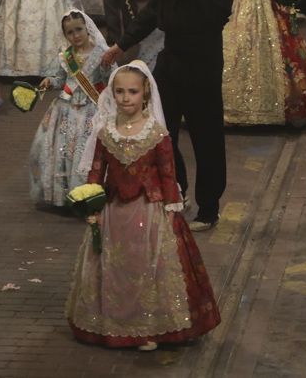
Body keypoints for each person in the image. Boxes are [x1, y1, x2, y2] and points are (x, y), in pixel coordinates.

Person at [65, 61, 220, 348]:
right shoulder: (105, 131)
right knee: (115, 267)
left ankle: (150, 325)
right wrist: (92, 206)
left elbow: (167, 173)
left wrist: (173, 209)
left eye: (132, 92)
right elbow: (97, 171)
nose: (126, 98)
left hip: (149, 212)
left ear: (145, 94)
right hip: (113, 213)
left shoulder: (156, 133)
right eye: (120, 91)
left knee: (148, 266)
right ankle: (115, 324)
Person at [100, 0, 232, 231]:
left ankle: (209, 208)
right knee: (161, 130)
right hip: (171, 59)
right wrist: (122, 43)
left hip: (202, 60)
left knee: (206, 136)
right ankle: (177, 191)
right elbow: (153, 12)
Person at [29, 10, 111, 206]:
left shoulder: (101, 54)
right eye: (70, 32)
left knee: (85, 150)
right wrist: (50, 81)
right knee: (62, 149)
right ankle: (64, 193)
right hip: (66, 110)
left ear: (88, 28)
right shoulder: (65, 57)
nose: (76, 35)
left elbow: (110, 79)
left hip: (92, 109)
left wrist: (106, 68)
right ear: (65, 35)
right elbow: (60, 78)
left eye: (79, 30)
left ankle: (89, 192)